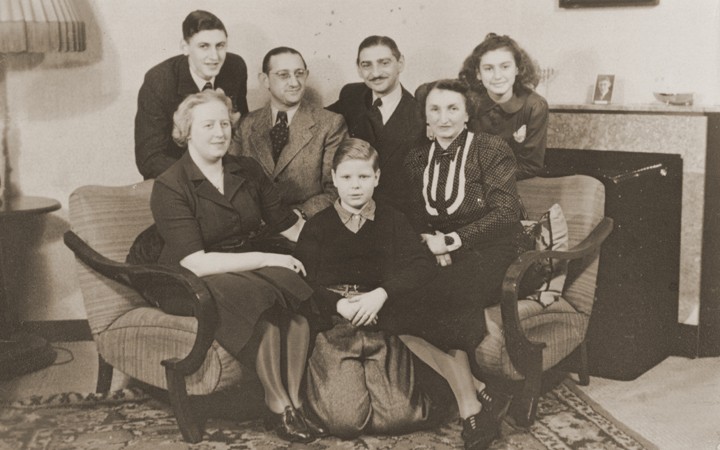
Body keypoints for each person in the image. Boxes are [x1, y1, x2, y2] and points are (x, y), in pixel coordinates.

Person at [149, 89, 326, 443]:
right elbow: (195, 261)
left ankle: (295, 403)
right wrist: (269, 258)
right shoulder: (170, 185)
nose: (219, 133)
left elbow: (284, 225)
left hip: (243, 268)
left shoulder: (246, 169)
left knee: (296, 299)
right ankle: (277, 404)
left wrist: (333, 246)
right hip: (191, 277)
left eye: (224, 124)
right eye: (207, 125)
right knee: (262, 309)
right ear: (186, 132)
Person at [403, 79, 526, 450]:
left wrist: (453, 242)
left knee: (447, 296)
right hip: (439, 249)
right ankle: (479, 390)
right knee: (394, 299)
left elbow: (507, 213)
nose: (444, 117)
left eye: (452, 108)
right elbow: (413, 214)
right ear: (425, 116)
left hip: (493, 248)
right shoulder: (415, 157)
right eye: (435, 109)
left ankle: (469, 409)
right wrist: (429, 241)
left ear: (467, 113)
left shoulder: (490, 148)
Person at [293, 138, 437, 438]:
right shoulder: (317, 226)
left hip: (381, 320)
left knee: (399, 419)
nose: (355, 186)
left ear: (377, 178)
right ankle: (340, 386)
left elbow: (421, 265)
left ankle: (379, 387)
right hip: (335, 326)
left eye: (364, 177)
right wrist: (339, 305)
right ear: (333, 178)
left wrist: (382, 294)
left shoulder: (394, 220)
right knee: (346, 422)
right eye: (346, 177)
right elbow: (303, 280)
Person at [231, 47, 347, 219]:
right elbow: (231, 181)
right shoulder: (246, 124)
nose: (294, 82)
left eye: (299, 73)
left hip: (304, 228)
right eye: (283, 75)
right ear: (265, 80)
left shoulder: (330, 124)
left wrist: (297, 215)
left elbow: (337, 188)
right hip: (252, 229)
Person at [135, 10, 249, 180]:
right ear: (185, 47)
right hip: (177, 179)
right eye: (204, 46)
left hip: (225, 176)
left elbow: (242, 130)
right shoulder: (159, 80)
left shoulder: (235, 67)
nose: (214, 56)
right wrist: (205, 178)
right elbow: (149, 159)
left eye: (220, 45)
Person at [327, 36, 424, 214]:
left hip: (398, 215)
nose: (376, 73)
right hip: (349, 209)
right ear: (358, 68)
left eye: (384, 63)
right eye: (367, 65)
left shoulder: (421, 114)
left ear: (400, 63)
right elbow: (319, 121)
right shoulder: (351, 96)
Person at [458, 33, 548, 180]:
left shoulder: (535, 105)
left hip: (516, 183)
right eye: (488, 69)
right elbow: (424, 90)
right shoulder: (470, 100)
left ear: (517, 69)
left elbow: (531, 166)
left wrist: (484, 176)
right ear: (478, 74)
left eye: (505, 67)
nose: (497, 76)